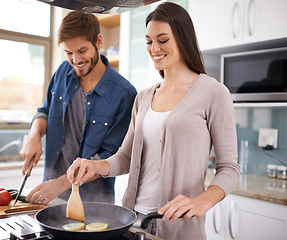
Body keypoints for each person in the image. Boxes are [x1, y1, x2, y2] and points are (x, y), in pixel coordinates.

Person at [67, 2, 239, 240]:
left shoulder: (213, 93)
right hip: (132, 222)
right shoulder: (144, 97)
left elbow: (229, 168)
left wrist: (202, 202)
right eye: (149, 41)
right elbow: (126, 157)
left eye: (163, 40)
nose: (154, 48)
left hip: (179, 227)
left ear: (183, 38)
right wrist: (95, 166)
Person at [20, 11, 137, 204]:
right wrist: (33, 136)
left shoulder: (125, 94)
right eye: (68, 53)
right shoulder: (62, 72)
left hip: (93, 203)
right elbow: (46, 111)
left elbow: (110, 158)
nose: (75, 60)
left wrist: (61, 183)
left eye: (82, 51)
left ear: (98, 41)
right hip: (51, 193)